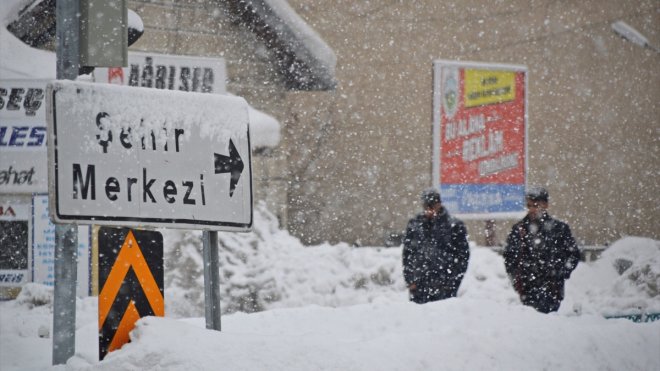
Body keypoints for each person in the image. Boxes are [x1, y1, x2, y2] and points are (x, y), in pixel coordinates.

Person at [503, 187, 580, 313]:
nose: (532, 209)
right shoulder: (519, 229)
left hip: (552, 288)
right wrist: (518, 279)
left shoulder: (559, 229)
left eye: (535, 205)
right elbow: (510, 257)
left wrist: (561, 273)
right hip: (527, 288)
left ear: (545, 205)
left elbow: (573, 255)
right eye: (529, 205)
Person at [402, 188, 470, 304]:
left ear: (439, 205)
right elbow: (408, 254)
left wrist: (452, 283)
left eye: (432, 206)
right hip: (419, 285)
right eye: (426, 206)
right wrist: (410, 280)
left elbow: (462, 256)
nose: (429, 210)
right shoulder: (415, 225)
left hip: (444, 285)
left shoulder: (454, 226)